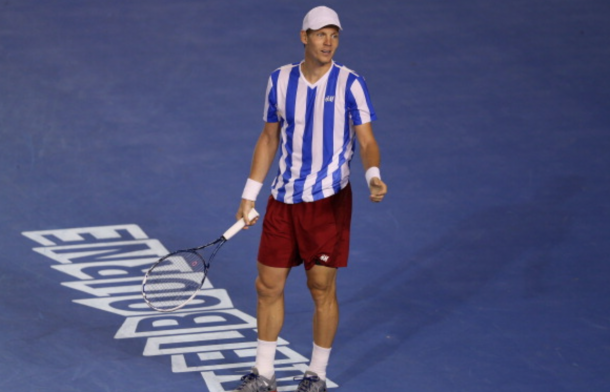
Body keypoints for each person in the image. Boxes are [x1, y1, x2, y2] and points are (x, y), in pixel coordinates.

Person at [234, 5, 387, 392]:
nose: (328, 42)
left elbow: (366, 139)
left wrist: (373, 175)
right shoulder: (279, 80)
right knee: (267, 286)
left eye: (334, 35)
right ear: (304, 37)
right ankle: (263, 373)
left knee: (320, 288)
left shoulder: (351, 83)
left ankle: (316, 374)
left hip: (327, 203)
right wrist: (250, 194)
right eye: (321, 34)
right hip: (282, 201)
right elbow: (269, 138)